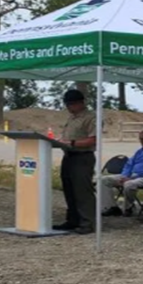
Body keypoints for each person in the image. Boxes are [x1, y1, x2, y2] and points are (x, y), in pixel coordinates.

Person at [54, 89, 98, 234]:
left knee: (82, 191)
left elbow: (93, 139)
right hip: (69, 157)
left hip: (83, 157)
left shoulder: (91, 118)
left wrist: (71, 143)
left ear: (81, 103)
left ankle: (88, 223)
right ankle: (73, 220)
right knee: (69, 190)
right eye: (67, 104)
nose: (69, 107)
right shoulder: (71, 118)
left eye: (71, 104)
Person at [100, 129, 143, 216]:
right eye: (140, 139)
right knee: (104, 180)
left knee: (129, 184)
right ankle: (111, 207)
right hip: (131, 176)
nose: (141, 141)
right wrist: (124, 176)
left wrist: (132, 177)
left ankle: (129, 207)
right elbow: (129, 164)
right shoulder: (139, 152)